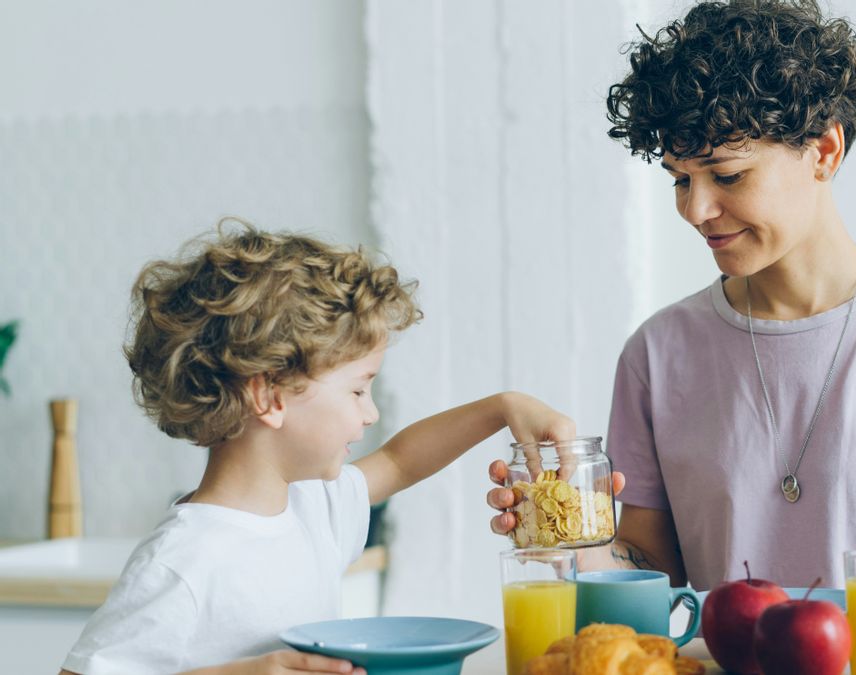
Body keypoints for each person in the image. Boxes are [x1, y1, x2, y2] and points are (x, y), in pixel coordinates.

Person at [488, 0, 856, 596]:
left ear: (824, 151)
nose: (695, 210)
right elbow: (653, 569)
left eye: (727, 175)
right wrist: (565, 533)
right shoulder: (656, 355)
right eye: (680, 179)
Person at [61, 222, 575, 675]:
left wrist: (503, 407)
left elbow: (399, 461)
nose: (370, 413)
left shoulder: (313, 507)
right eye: (357, 389)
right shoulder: (180, 565)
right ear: (268, 394)